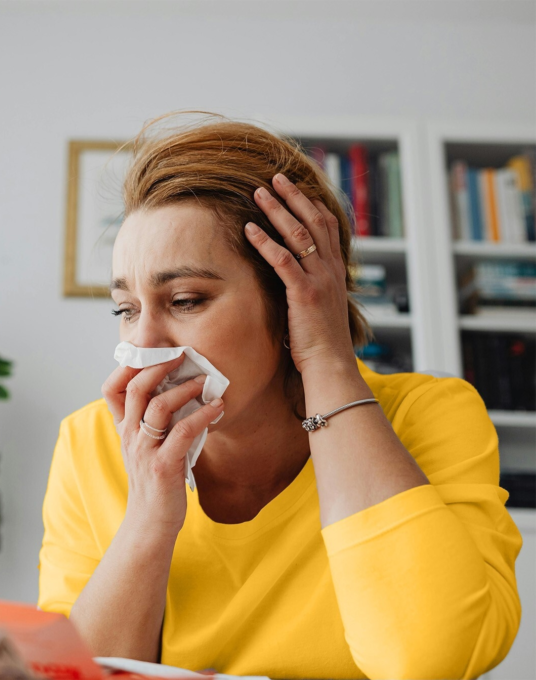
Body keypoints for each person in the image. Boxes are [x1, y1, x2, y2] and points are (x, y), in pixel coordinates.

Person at [38, 111, 523, 679]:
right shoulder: (89, 440)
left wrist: (327, 357)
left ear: (294, 298)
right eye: (127, 309)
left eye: (187, 300)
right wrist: (150, 511)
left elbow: (430, 661)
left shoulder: (426, 416)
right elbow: (71, 675)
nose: (144, 344)